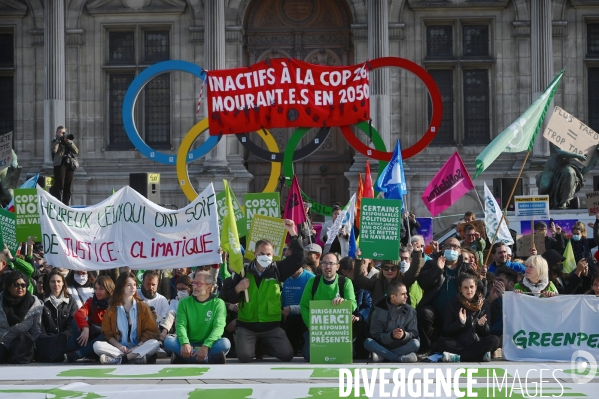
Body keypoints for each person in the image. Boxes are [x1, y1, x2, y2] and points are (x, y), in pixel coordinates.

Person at [224, 219, 303, 363]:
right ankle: (254, 345)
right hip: (247, 326)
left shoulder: (278, 270)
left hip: (271, 327)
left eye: (268, 254)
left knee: (287, 355)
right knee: (245, 357)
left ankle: (262, 346)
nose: (265, 257)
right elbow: (227, 296)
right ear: (255, 254)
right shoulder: (242, 272)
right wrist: (238, 288)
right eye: (262, 253)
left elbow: (298, 259)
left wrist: (292, 233)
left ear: (273, 255)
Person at [416, 237, 471, 355]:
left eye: (455, 247)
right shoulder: (432, 263)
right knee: (423, 313)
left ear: (460, 251)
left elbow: (476, 288)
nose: (451, 249)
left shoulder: (466, 268)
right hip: (435, 310)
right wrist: (437, 269)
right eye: (448, 246)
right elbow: (423, 283)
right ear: (443, 248)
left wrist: (482, 278)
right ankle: (426, 348)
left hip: (456, 312)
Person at [300, 252, 357, 361]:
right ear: (321, 265)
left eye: (331, 263)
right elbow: (304, 305)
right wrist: (310, 325)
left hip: (337, 330)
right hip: (317, 328)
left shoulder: (345, 282)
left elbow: (353, 304)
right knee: (309, 356)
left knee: (345, 356)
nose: (327, 266)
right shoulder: (313, 281)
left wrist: (344, 302)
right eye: (324, 263)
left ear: (337, 266)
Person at [93, 272, 160, 364]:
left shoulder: (143, 307)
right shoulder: (112, 308)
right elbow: (108, 334)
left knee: (155, 343)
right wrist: (120, 346)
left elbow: (151, 332)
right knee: (97, 345)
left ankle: (121, 359)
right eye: (129, 285)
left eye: (134, 285)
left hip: (138, 347)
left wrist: (137, 347)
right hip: (120, 349)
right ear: (121, 287)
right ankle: (135, 358)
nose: (133, 288)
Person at [164, 271, 229, 364]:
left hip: (210, 344)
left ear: (209, 287)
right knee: (168, 341)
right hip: (189, 344)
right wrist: (185, 343)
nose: (195, 286)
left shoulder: (218, 303)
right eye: (194, 283)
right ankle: (207, 360)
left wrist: (206, 346)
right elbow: (180, 325)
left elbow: (219, 328)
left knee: (225, 343)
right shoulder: (184, 302)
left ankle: (185, 358)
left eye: (199, 284)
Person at [435, 271, 499, 362]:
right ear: (460, 289)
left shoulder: (484, 304)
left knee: (495, 340)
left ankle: (458, 358)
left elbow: (487, 332)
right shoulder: (452, 304)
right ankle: (479, 356)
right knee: (441, 343)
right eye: (465, 288)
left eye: (471, 287)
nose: (469, 291)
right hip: (459, 343)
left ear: (476, 287)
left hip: (477, 342)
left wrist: (481, 325)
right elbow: (446, 331)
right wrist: (460, 323)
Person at [364, 281, 419, 362]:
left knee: (416, 343)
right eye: (403, 294)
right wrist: (391, 336)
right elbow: (375, 335)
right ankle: (399, 358)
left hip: (402, 346)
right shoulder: (378, 310)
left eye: (406, 293)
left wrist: (404, 335)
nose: (406, 296)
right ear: (393, 296)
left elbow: (414, 334)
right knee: (367, 342)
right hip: (383, 346)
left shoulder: (411, 311)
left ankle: (383, 356)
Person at [65, 275, 115, 363]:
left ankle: (78, 354)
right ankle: (87, 352)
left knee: (107, 335)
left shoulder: (115, 305)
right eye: (95, 288)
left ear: (109, 289)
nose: (97, 292)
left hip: (105, 339)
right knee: (74, 322)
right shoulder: (91, 302)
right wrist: (85, 328)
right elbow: (78, 314)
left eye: (101, 289)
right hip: (89, 336)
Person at [353, 249, 425, 307]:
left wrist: (416, 252)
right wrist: (359, 261)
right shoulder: (376, 281)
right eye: (386, 268)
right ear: (382, 269)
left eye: (393, 268)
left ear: (398, 269)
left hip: (399, 319)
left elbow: (414, 271)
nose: (389, 271)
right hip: (379, 319)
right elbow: (359, 279)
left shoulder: (403, 280)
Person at [0, 271, 43, 363]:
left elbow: (36, 330)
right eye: (16, 285)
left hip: (21, 344)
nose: (20, 288)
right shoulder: (1, 300)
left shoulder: (34, 303)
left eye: (23, 285)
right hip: (2, 343)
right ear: (8, 287)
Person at [282, 264, 315, 356]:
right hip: (287, 319)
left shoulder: (311, 278)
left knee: (308, 354)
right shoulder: (283, 276)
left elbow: (314, 303)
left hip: (305, 319)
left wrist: (292, 309)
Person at [488, 266, 517, 343]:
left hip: (509, 337)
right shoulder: (491, 294)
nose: (496, 283)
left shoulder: (516, 297)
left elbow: (515, 318)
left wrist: (504, 298)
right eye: (496, 280)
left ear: (511, 284)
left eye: (500, 281)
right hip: (491, 335)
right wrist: (489, 301)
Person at [51, 125, 79, 205]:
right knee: (60, 186)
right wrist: (58, 140)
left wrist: (69, 142)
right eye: (60, 132)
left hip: (69, 164)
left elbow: (76, 151)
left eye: (63, 132)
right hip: (59, 164)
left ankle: (66, 205)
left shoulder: (68, 141)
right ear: (57, 133)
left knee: (68, 187)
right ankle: (59, 204)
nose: (62, 134)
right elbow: (54, 150)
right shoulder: (54, 141)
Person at [160, 275, 192, 342]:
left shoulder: (196, 302)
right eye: (178, 289)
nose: (180, 292)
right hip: (180, 335)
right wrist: (164, 332)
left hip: (195, 334)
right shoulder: (175, 302)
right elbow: (170, 316)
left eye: (183, 289)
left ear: (190, 288)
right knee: (168, 341)